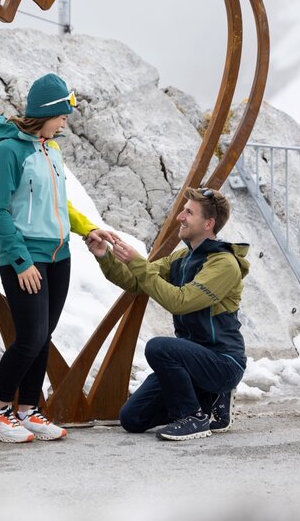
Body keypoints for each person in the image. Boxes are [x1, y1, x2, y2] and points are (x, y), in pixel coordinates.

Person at [0, 73, 107, 443]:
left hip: (59, 256)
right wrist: (21, 260)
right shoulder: (8, 151)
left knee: (44, 337)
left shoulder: (51, 148)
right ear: (47, 112)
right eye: (63, 114)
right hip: (25, 258)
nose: (66, 121)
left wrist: (86, 228)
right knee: (29, 338)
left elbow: (58, 203)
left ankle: (28, 410)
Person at [85, 187, 248, 441]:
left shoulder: (223, 264)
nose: (180, 217)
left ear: (209, 223)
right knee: (132, 418)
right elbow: (136, 282)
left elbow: (180, 302)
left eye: (188, 213)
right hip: (189, 362)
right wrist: (105, 256)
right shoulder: (181, 257)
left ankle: (193, 417)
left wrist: (137, 262)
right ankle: (207, 401)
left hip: (223, 362)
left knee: (159, 348)